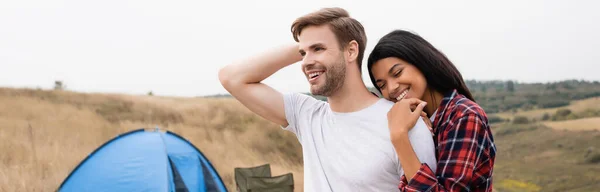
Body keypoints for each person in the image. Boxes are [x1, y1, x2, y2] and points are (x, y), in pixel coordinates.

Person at [218, 8, 436, 191]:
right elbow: (232, 78)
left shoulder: (407, 123)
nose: (305, 62)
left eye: (318, 49)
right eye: (303, 54)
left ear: (351, 51)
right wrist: (306, 46)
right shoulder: (306, 114)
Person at [367, 29, 497, 191]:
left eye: (397, 73)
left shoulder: (464, 116)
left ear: (421, 63)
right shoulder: (416, 120)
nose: (392, 88)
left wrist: (399, 137)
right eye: (382, 85)